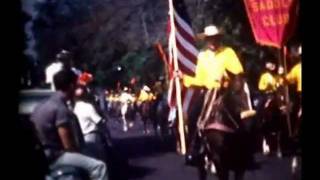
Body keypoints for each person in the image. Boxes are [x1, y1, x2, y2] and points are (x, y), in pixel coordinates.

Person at [182, 25, 256, 175]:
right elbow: (199, 78)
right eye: (209, 39)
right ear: (206, 40)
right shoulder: (202, 55)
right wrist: (183, 78)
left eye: (215, 38)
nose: (212, 41)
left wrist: (226, 79)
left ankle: (249, 149)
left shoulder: (228, 52)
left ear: (219, 38)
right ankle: (195, 149)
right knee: (193, 114)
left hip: (228, 90)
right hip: (209, 90)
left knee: (247, 114)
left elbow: (238, 71)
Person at [31, 69, 108, 180]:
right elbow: (68, 146)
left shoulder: (42, 105)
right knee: (99, 166)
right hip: (55, 156)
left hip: (42, 154)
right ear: (71, 86)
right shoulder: (60, 108)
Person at [74, 86, 107, 161]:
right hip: (92, 136)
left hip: (79, 138)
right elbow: (99, 121)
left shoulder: (74, 107)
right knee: (99, 160)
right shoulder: (88, 107)